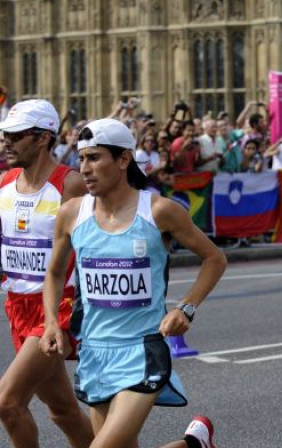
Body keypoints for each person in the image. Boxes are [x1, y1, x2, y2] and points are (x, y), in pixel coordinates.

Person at [38, 118, 227, 448]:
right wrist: (52, 322)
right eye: (81, 159)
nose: (85, 168)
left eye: (95, 158)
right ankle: (193, 445)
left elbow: (215, 259)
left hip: (143, 350)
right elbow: (54, 273)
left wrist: (186, 308)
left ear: (124, 159)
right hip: (94, 351)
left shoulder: (159, 212)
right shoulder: (70, 213)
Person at [0, 99, 95, 448]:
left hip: (57, 310)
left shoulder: (71, 184)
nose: (6, 142)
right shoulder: (4, 183)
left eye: (15, 135)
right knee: (62, 411)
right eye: (4, 135)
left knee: (7, 403)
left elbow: (111, 228)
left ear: (42, 138)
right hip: (17, 307)